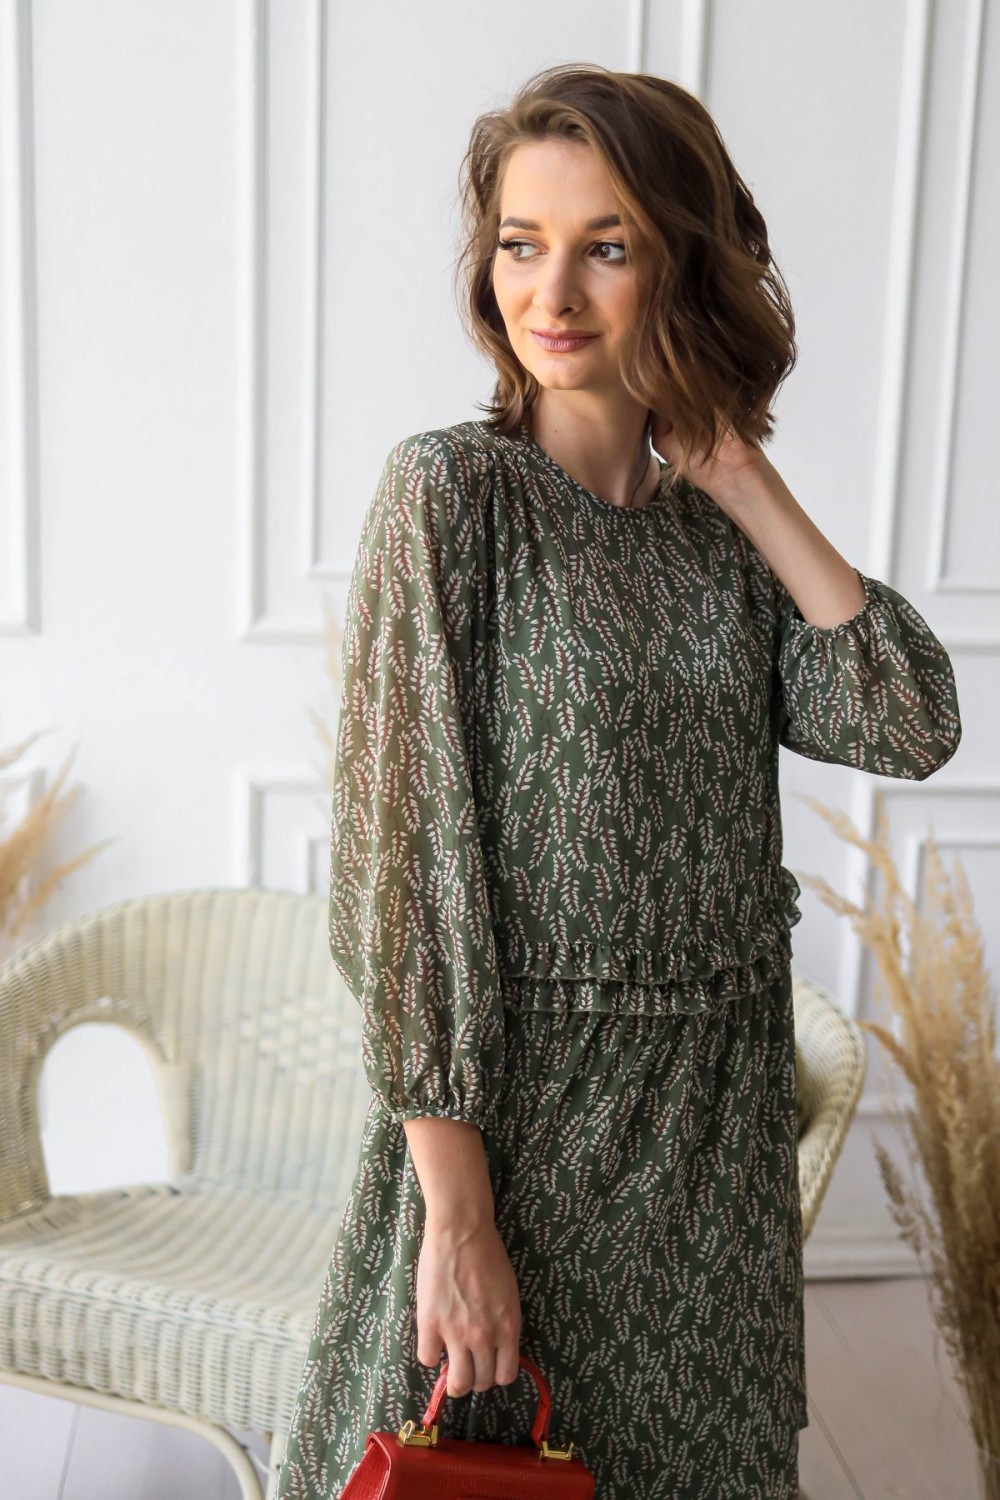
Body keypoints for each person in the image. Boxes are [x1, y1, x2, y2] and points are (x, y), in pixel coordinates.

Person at [273, 63, 963, 1500]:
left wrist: (744, 478)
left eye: (607, 246)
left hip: (713, 1144)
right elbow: (404, 876)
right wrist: (458, 1214)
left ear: (680, 267)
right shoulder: (451, 497)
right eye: (521, 244)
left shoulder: (720, 537)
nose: (554, 291)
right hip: (528, 1132)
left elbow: (907, 722)